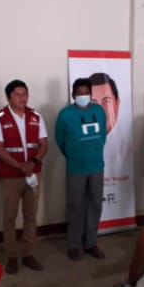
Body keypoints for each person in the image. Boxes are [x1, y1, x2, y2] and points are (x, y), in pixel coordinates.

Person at [0, 80, 49, 275]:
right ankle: (12, 257)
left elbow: (44, 144)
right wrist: (19, 166)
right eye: (17, 94)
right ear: (8, 97)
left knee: (31, 216)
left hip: (33, 173)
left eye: (25, 94)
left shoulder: (36, 116)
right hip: (10, 176)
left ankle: (28, 254)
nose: (22, 98)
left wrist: (32, 163)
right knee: (10, 217)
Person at [55, 78, 108, 261]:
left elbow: (103, 135)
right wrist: (73, 154)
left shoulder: (99, 111)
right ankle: (74, 245)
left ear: (91, 95)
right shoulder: (65, 114)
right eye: (79, 93)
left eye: (86, 93)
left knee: (95, 205)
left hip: (96, 166)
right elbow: (60, 140)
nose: (83, 96)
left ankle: (91, 243)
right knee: (75, 206)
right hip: (76, 167)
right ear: (73, 95)